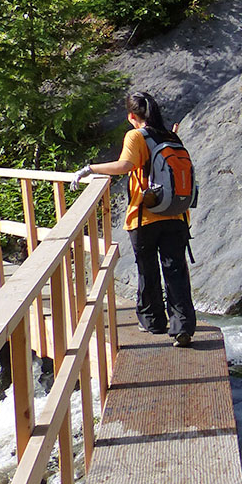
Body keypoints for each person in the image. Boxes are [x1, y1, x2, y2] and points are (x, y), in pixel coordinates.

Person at [72, 92, 196, 347]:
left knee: (147, 270)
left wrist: (90, 169)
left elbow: (125, 165)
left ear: (131, 116)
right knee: (176, 270)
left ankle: (153, 322)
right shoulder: (172, 136)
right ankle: (182, 326)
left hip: (145, 216)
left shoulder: (136, 136)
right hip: (177, 214)